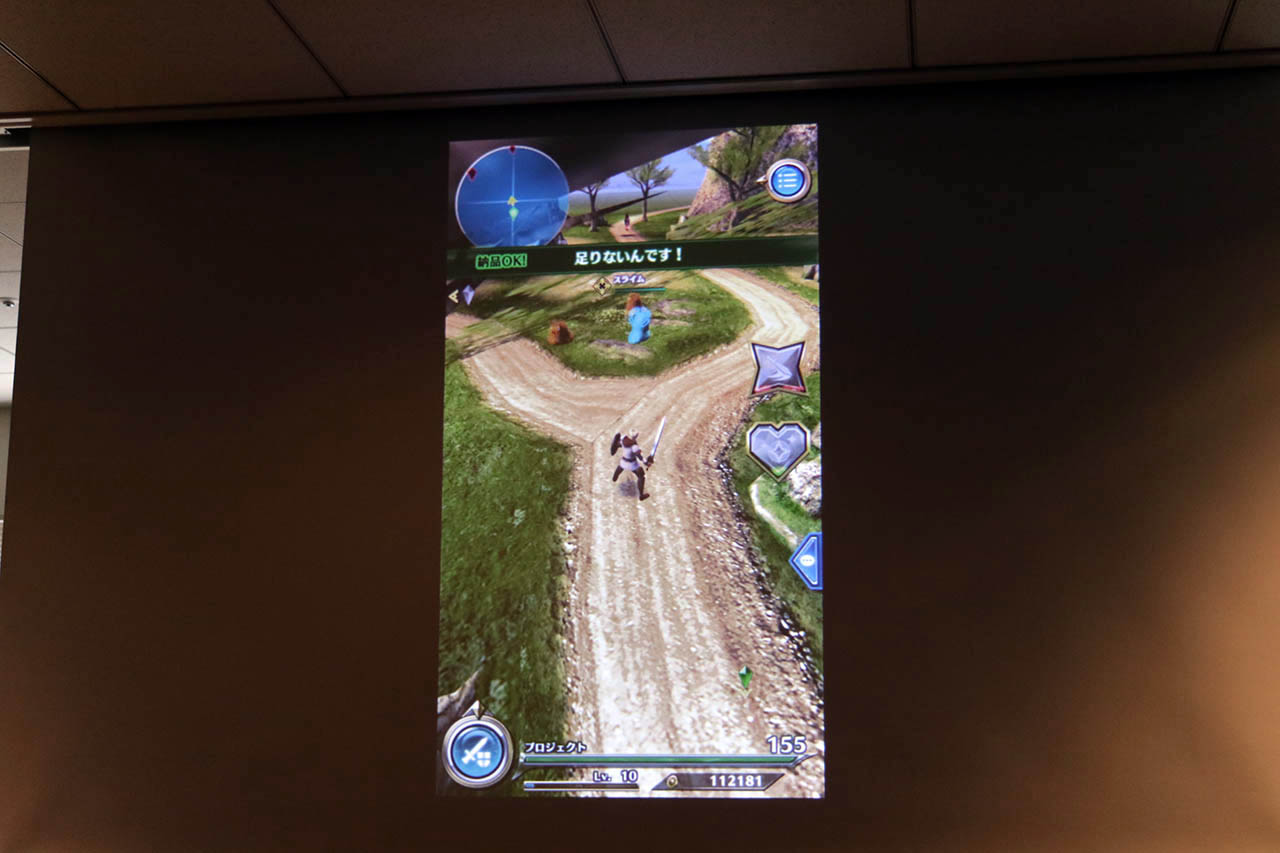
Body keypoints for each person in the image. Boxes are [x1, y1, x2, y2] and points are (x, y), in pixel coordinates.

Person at [610, 432, 652, 501]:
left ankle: (614, 478)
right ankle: (641, 495)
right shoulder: (634, 447)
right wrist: (646, 462)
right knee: (641, 476)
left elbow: (618, 444)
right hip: (632, 464)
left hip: (623, 462)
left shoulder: (623, 441)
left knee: (620, 467)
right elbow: (640, 457)